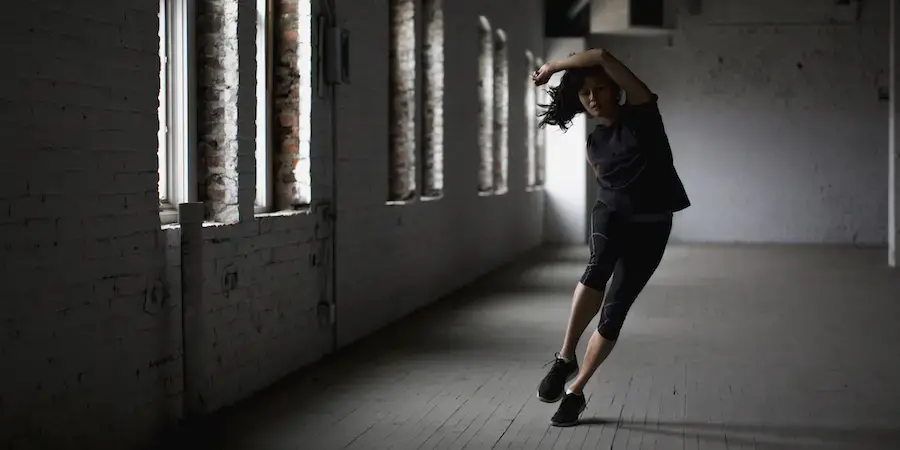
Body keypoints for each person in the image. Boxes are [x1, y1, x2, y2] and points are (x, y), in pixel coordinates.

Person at [531, 48, 691, 427]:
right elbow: (605, 185)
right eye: (585, 93)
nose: (593, 98)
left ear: (616, 90)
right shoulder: (593, 144)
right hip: (612, 214)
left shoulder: (644, 114)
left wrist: (552, 66)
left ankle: (576, 391)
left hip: (651, 225)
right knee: (596, 268)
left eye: (601, 89)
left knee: (614, 312)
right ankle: (565, 357)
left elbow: (602, 55)